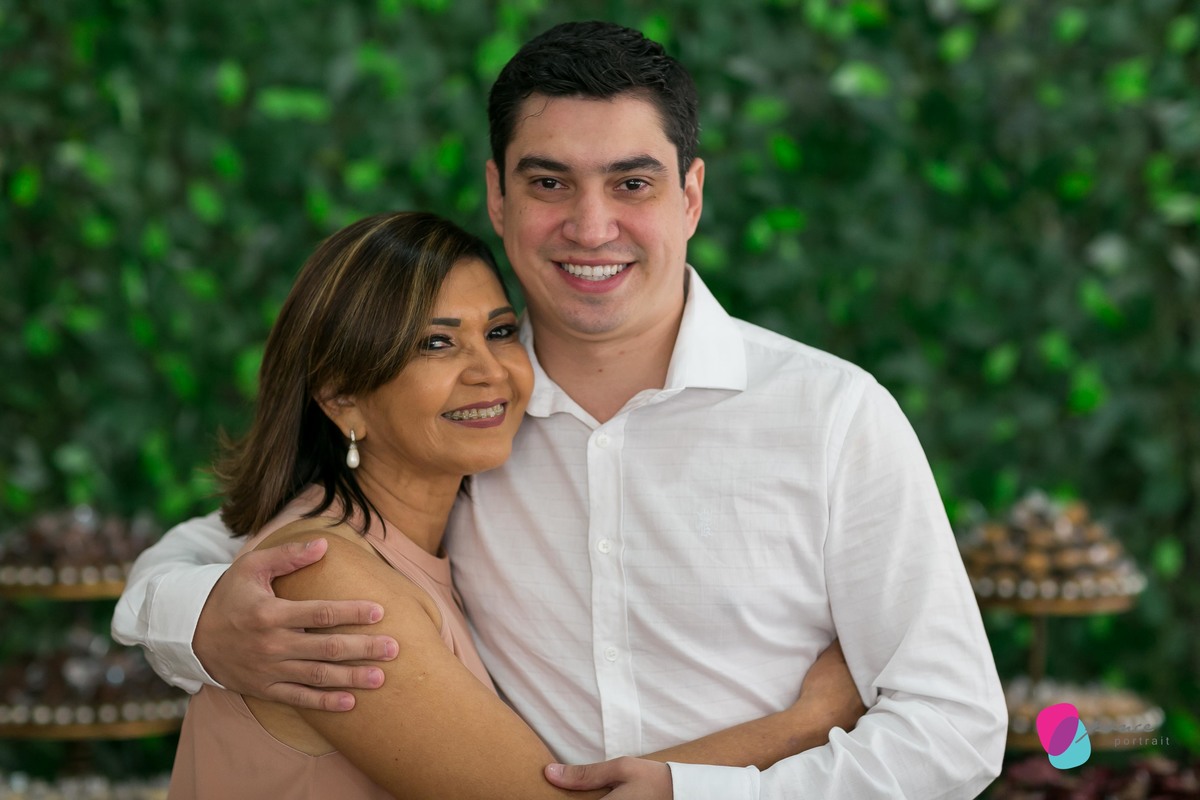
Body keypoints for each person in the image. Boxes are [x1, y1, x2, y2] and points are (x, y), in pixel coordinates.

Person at [116, 21, 1006, 799]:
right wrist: (197, 622)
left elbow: (955, 727)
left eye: (632, 184)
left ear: (691, 196)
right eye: (549, 183)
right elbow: (223, 548)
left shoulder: (832, 416)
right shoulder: (464, 423)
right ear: (498, 198)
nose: (590, 226)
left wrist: (724, 796)